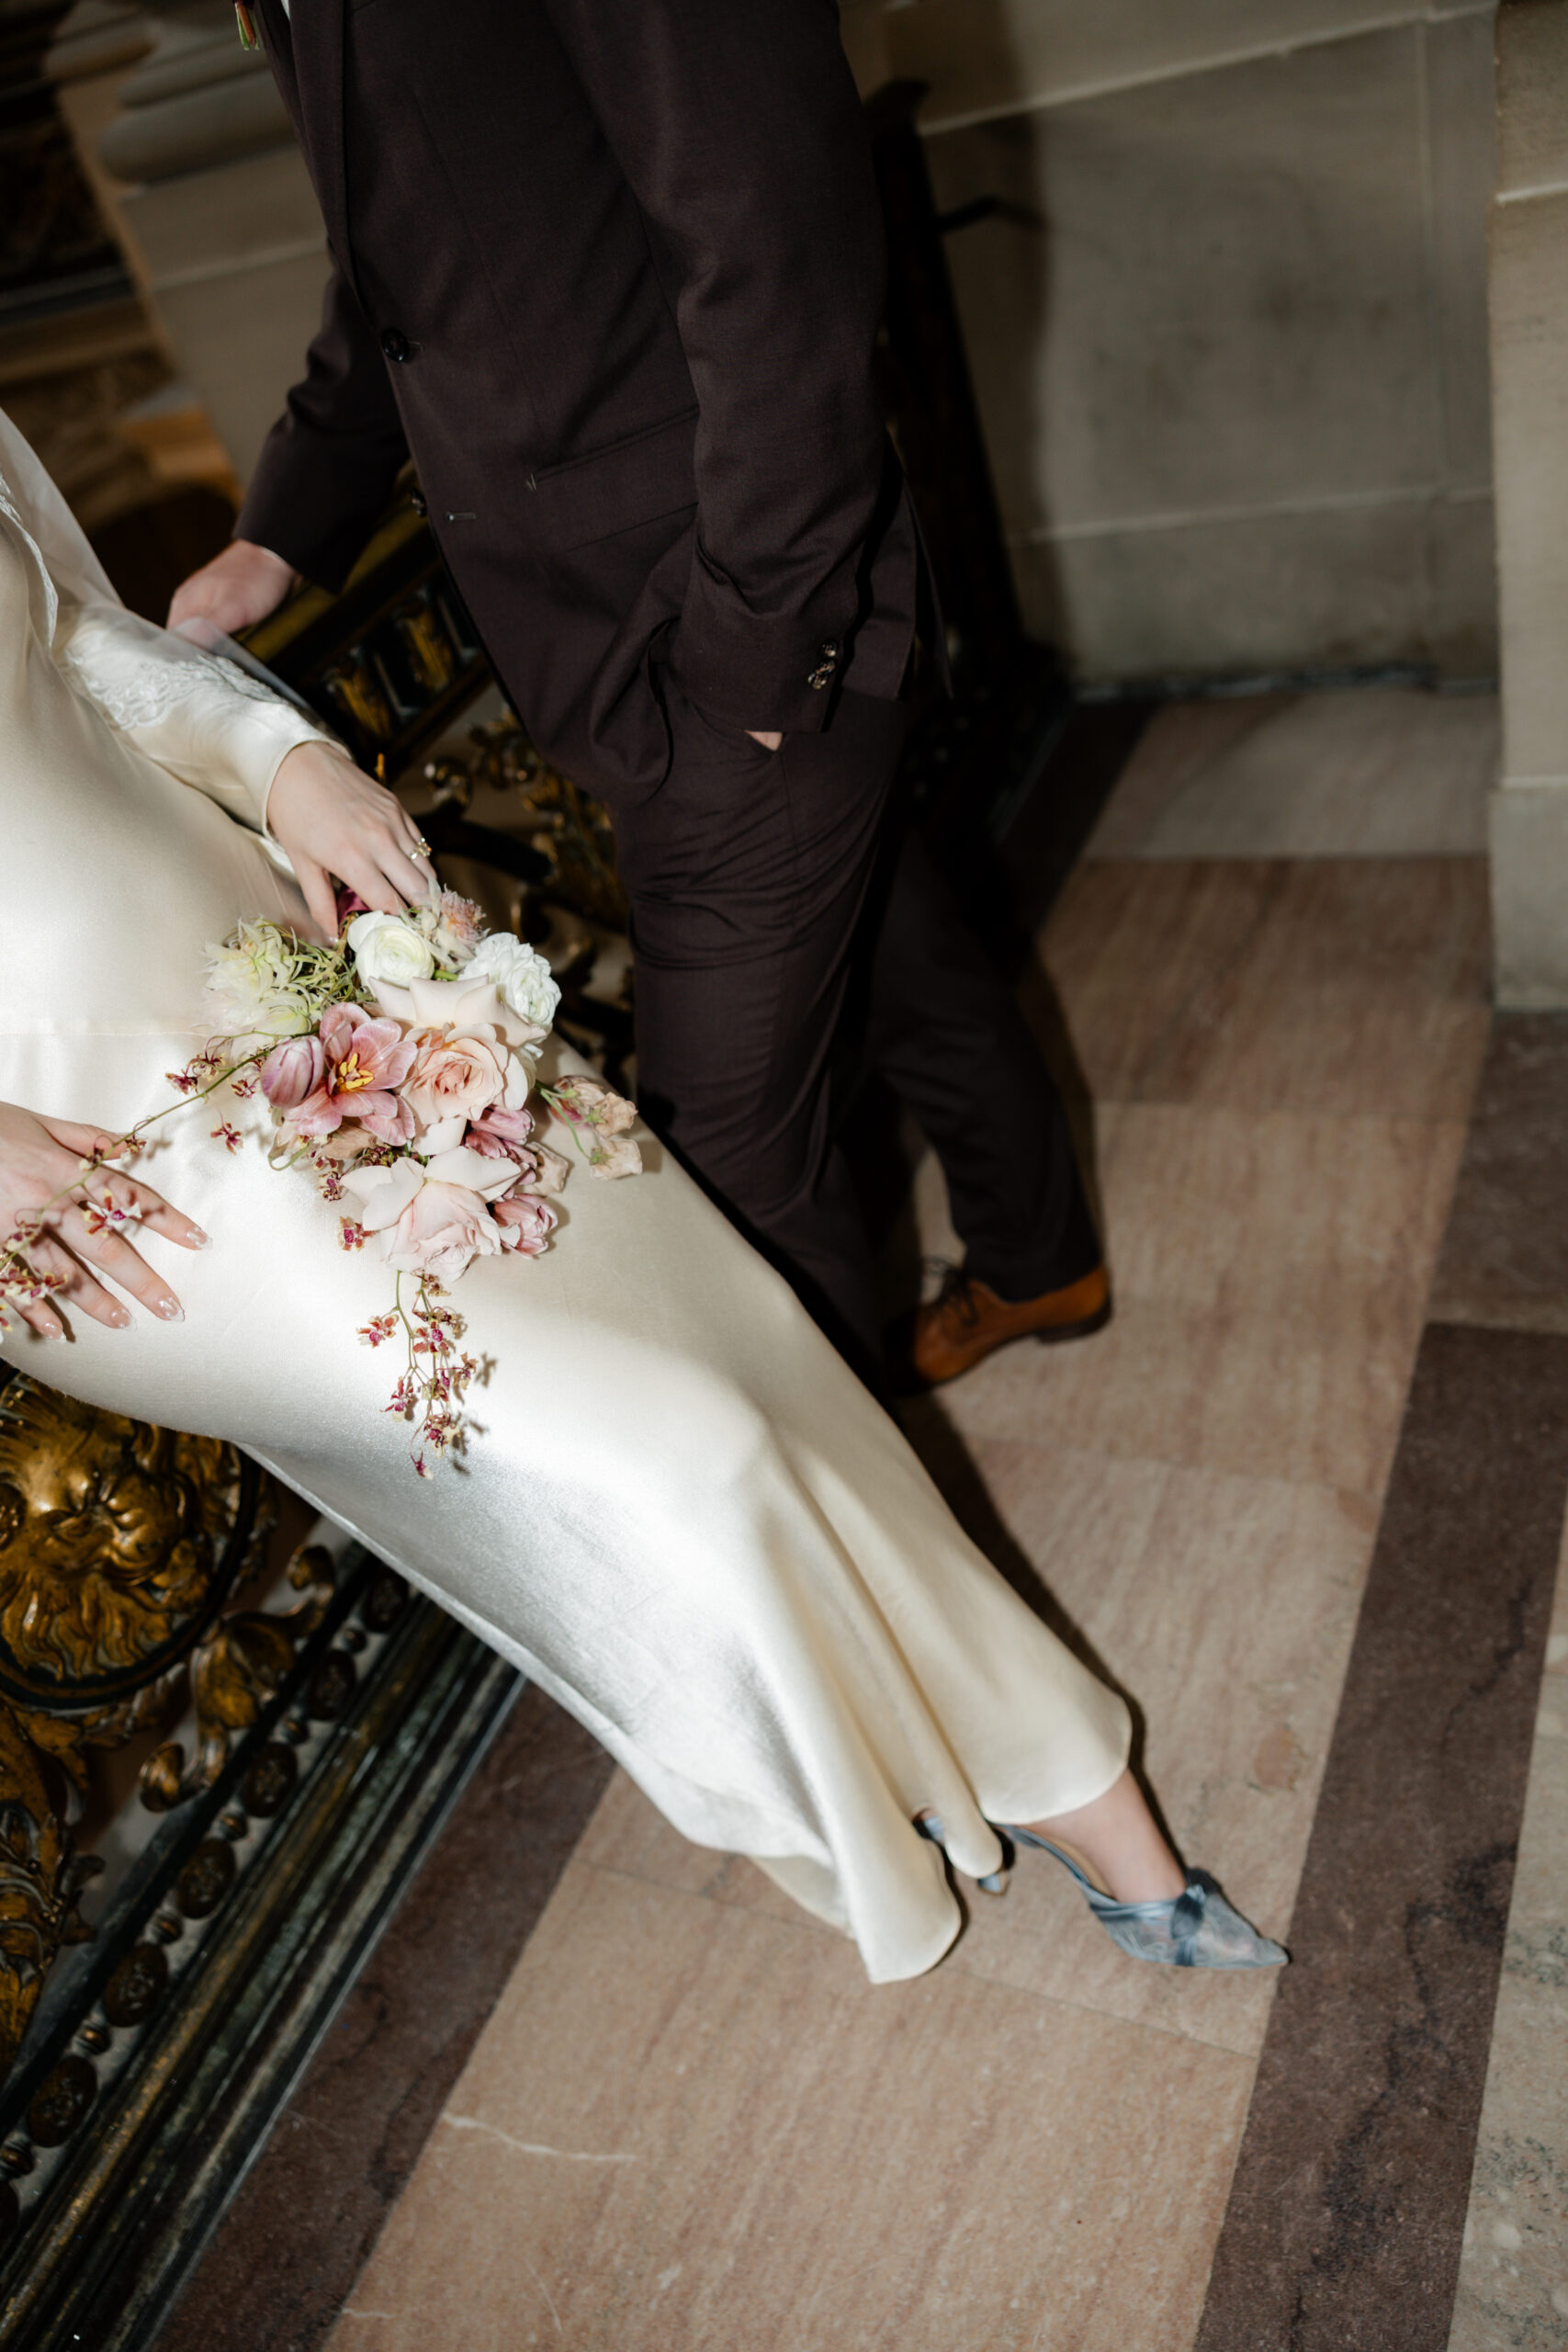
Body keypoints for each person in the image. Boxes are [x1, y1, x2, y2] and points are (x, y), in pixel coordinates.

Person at [0, 413, 1283, 1980]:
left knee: (727, 1321)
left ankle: (1084, 1789)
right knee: (671, 1446)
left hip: (298, 974)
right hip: (88, 1177)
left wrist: (289, 763)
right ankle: (884, 1780)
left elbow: (76, 643)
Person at [168, 0, 1110, 1392]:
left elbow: (775, 231)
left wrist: (755, 657)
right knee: (890, 940)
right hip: (614, 632)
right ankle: (1042, 1260)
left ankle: (857, 1589)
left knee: (729, 1202)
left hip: (727, 616)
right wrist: (286, 529)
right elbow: (395, 267)